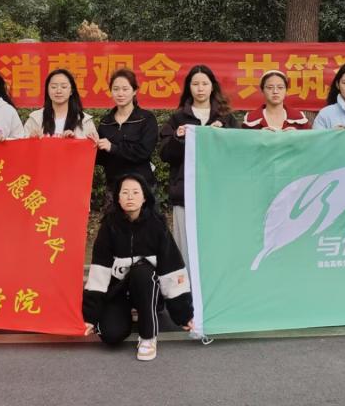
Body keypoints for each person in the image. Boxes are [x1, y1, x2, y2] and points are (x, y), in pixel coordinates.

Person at [82, 173, 193, 361]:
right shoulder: (109, 226)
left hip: (148, 287)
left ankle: (148, 337)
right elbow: (99, 272)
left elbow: (172, 270)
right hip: (118, 290)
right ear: (118, 198)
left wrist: (184, 314)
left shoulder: (157, 226)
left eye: (135, 192)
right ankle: (127, 313)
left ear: (144, 197)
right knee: (111, 335)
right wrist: (90, 316)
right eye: (125, 192)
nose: (130, 197)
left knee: (142, 271)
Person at [160, 64, 237, 261]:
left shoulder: (226, 118)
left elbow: (237, 152)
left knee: (215, 246)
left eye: (204, 83)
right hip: (185, 194)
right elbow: (165, 154)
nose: (200, 88)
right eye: (195, 84)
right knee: (185, 248)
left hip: (217, 193)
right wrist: (178, 138)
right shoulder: (178, 118)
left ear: (212, 87)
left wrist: (224, 135)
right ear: (189, 87)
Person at [95, 69, 159, 191]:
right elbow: (102, 159)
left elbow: (143, 151)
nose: (120, 94)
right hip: (114, 187)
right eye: (116, 89)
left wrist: (113, 148)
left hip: (141, 187)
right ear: (111, 91)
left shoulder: (146, 118)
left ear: (134, 91)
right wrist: (90, 144)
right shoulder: (105, 122)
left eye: (125, 89)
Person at [24, 68, 98, 139]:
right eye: (53, 87)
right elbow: (22, 144)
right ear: (47, 90)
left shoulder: (84, 121)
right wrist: (31, 140)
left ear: (71, 91)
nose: (58, 91)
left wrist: (75, 141)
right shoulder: (35, 119)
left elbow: (94, 145)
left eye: (64, 87)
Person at [241, 69, 310, 130]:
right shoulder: (250, 120)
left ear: (286, 91)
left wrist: (297, 136)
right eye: (270, 87)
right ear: (262, 90)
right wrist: (259, 136)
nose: (275, 91)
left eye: (280, 87)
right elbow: (244, 140)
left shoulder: (299, 118)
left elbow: (310, 139)